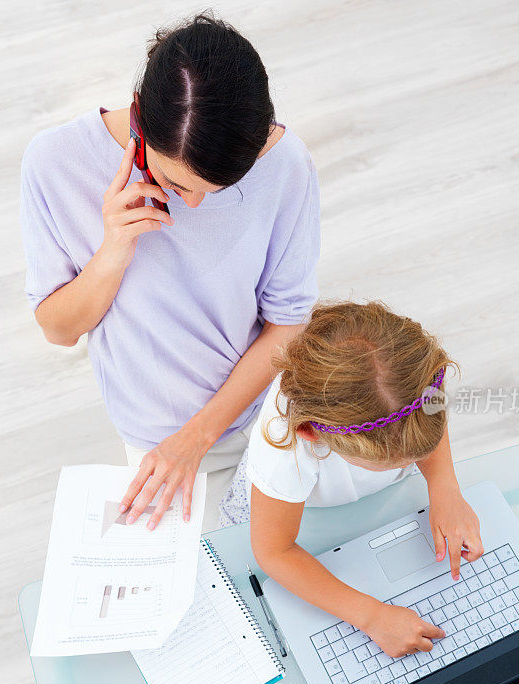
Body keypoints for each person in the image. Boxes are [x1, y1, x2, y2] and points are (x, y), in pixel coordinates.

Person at [20, 13, 319, 532]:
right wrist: (113, 249)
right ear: (139, 119)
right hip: (164, 440)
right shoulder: (56, 163)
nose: (195, 205)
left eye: (218, 188)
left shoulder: (285, 162)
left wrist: (200, 435)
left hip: (270, 408)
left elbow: (288, 322)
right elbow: (58, 329)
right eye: (172, 183)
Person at [219, 300, 483, 658]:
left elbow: (426, 425)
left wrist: (444, 486)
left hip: (367, 503)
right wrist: (371, 616)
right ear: (313, 434)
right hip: (293, 511)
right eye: (398, 459)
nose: (414, 460)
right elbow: (273, 550)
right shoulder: (284, 446)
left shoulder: (411, 388)